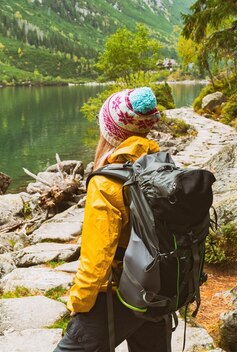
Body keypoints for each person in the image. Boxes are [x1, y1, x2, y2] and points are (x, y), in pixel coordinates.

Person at [54, 87, 169, 352]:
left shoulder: (107, 182)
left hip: (118, 294)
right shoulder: (161, 166)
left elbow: (96, 261)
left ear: (111, 131)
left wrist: (78, 302)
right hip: (158, 290)